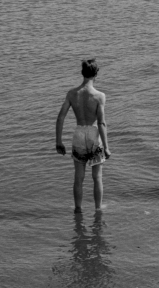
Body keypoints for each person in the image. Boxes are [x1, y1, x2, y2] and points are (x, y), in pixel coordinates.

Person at [56, 59, 111, 213]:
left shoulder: (72, 94)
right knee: (97, 177)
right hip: (93, 135)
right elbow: (101, 123)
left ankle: (78, 209)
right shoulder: (100, 96)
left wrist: (58, 142)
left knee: (79, 178)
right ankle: (98, 210)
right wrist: (106, 147)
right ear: (96, 75)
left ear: (82, 73)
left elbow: (60, 117)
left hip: (79, 134)